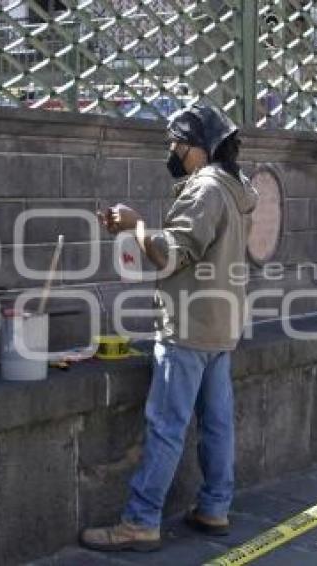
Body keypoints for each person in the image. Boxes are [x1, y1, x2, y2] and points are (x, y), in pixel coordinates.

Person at [80, 102, 258, 552]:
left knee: (166, 424)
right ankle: (215, 508)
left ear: (198, 148)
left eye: (176, 143)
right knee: (217, 423)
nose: (173, 152)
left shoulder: (206, 190)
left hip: (189, 326)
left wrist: (136, 225)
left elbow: (170, 253)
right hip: (222, 323)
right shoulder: (237, 187)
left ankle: (141, 521)